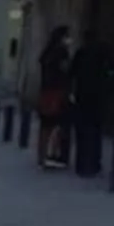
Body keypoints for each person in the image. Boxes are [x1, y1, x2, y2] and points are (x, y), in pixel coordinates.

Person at [67, 30, 114, 179]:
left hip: (82, 95)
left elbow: (71, 73)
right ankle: (94, 163)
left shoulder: (81, 52)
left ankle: (81, 164)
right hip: (99, 96)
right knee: (95, 130)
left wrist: (71, 91)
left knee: (82, 130)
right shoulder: (105, 52)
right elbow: (112, 72)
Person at [36, 24, 73, 170]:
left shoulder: (47, 52)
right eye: (67, 36)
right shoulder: (61, 52)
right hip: (57, 91)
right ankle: (52, 155)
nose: (69, 39)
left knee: (45, 125)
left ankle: (41, 156)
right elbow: (65, 70)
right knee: (58, 124)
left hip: (45, 91)